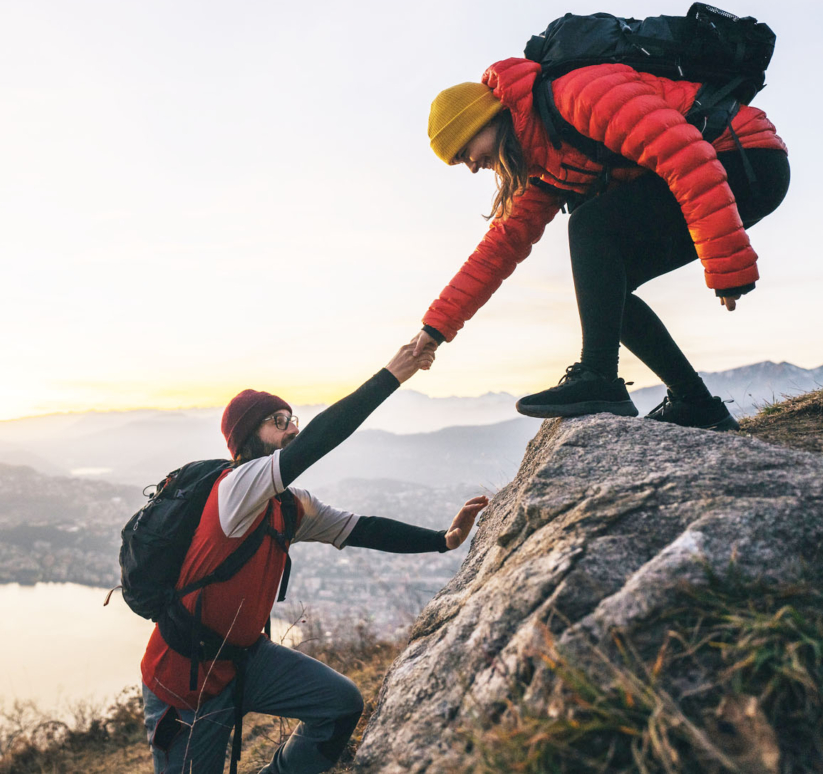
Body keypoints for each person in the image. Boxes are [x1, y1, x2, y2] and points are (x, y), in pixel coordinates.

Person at [140, 340, 489, 774]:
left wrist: (443, 539)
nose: (292, 429)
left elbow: (361, 528)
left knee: (340, 705)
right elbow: (320, 441)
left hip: (245, 659)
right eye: (278, 421)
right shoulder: (235, 489)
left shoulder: (289, 506)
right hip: (186, 682)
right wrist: (392, 376)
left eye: (293, 419)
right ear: (248, 438)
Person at [413, 60, 789, 429]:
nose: (473, 167)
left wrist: (726, 262)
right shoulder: (543, 162)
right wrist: (434, 330)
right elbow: (497, 251)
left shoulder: (577, 95)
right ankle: (695, 403)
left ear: (481, 120)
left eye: (464, 153)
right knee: (604, 286)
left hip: (745, 157)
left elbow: (686, 156)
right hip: (715, 170)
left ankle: (599, 375)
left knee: (589, 226)